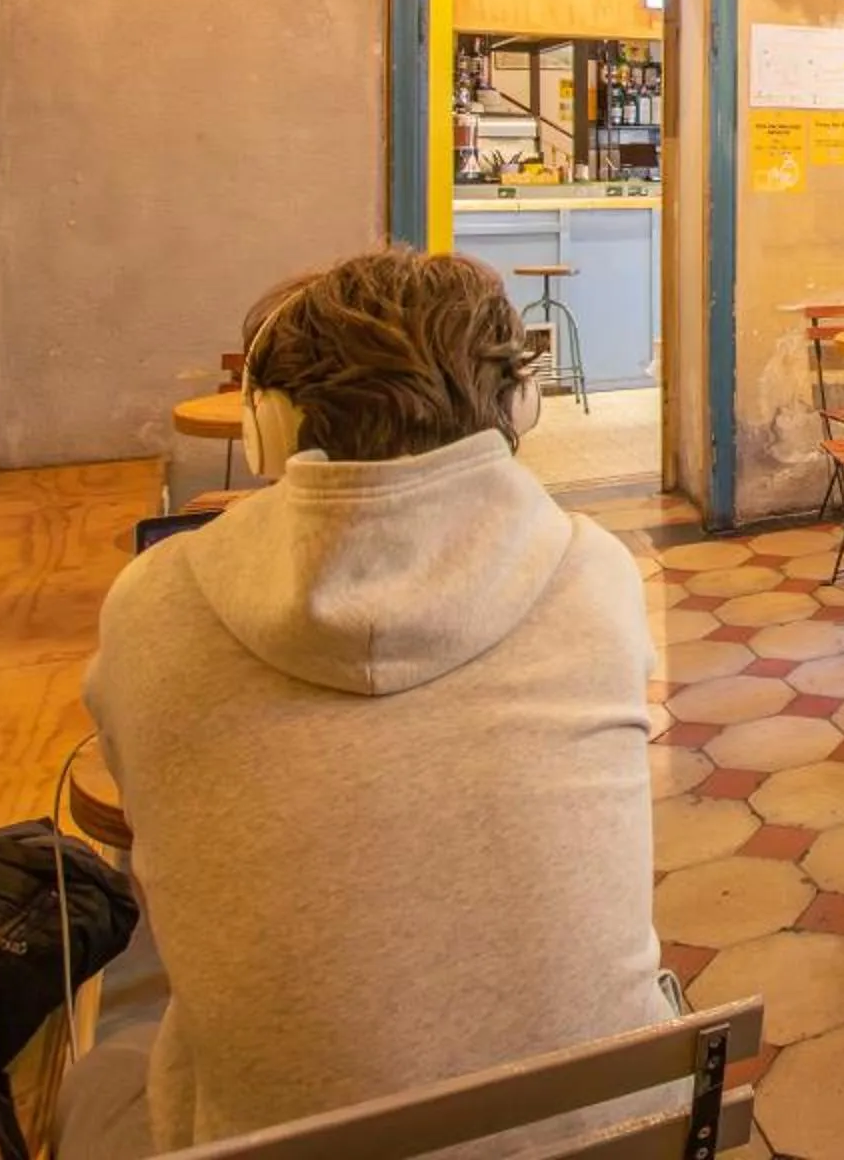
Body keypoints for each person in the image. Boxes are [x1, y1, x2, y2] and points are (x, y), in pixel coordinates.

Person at [63, 249, 662, 1154]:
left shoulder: (152, 603)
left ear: (265, 428)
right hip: (620, 1134)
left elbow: (141, 803)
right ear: (518, 406)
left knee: (107, 1053)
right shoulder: (596, 573)